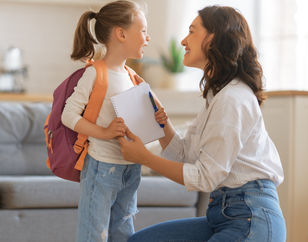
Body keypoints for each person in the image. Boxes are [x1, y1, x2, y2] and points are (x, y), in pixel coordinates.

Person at [118, 5, 287, 242]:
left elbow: (205, 177)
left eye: (192, 31)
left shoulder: (233, 99)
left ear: (215, 37)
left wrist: (144, 157)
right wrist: (161, 122)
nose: (184, 41)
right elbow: (183, 153)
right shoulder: (217, 96)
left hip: (251, 218)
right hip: (224, 215)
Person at [60, 1, 151, 241]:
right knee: (94, 233)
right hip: (102, 167)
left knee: (123, 232)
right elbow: (68, 115)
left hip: (130, 168)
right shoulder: (95, 73)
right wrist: (104, 131)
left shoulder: (132, 77)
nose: (147, 38)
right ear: (121, 34)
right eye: (142, 31)